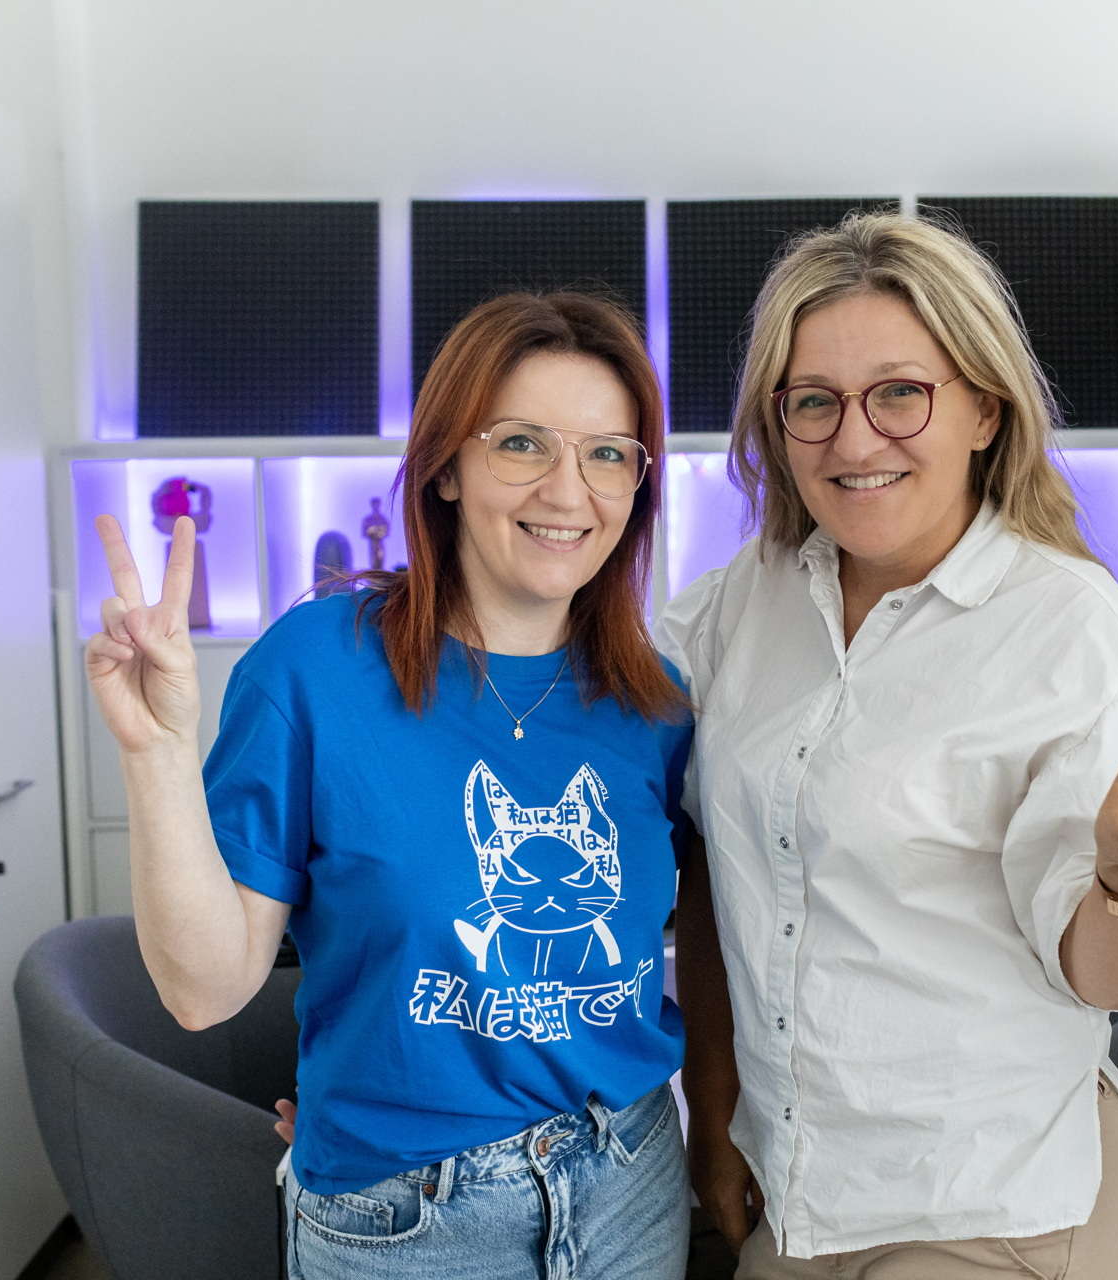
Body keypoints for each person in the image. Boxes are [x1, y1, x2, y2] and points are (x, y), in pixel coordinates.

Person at [660, 211, 1118, 1279]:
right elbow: (711, 857)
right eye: (814, 400)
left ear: (985, 409)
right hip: (801, 1192)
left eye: (901, 392)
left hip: (994, 1206)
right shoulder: (746, 601)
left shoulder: (1067, 627)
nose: (855, 441)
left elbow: (1104, 975)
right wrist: (715, 1111)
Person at [85, 292, 697, 1280]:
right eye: (522, 444)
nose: (569, 490)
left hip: (629, 1178)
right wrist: (156, 752)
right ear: (446, 466)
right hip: (409, 1218)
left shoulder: (654, 702)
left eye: (608, 454)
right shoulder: (316, 669)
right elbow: (204, 990)